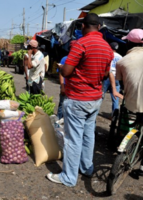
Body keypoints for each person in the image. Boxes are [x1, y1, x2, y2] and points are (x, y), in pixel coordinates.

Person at [46, 13, 114, 187]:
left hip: (77, 98)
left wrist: (63, 69)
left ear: (83, 26)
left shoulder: (81, 43)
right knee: (88, 135)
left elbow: (67, 72)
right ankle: (87, 168)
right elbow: (106, 74)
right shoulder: (107, 48)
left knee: (73, 139)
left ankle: (68, 177)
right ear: (99, 27)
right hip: (95, 98)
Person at [115, 29, 143, 176]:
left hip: (132, 104)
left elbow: (122, 84)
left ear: (129, 42)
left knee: (132, 123)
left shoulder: (122, 61)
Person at [102, 42, 123, 116]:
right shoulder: (120, 57)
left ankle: (94, 112)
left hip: (107, 76)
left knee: (101, 95)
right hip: (116, 77)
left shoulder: (107, 54)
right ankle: (114, 115)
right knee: (115, 97)